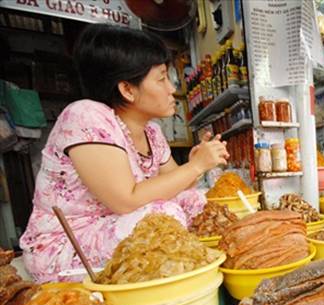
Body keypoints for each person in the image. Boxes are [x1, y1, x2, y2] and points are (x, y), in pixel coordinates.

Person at [19, 24, 229, 283]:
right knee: (164, 214)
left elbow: (177, 185)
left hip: (116, 226)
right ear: (128, 89)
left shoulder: (151, 132)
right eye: (162, 78)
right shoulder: (85, 116)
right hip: (67, 244)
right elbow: (125, 200)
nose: (171, 88)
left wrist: (197, 165)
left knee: (198, 200)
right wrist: (194, 167)